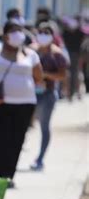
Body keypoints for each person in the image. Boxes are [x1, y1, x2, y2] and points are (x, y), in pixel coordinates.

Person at [0, 20, 43, 188]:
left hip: (25, 104)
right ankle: (3, 173)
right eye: (14, 30)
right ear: (5, 35)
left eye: (20, 30)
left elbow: (38, 76)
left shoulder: (30, 54)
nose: (18, 34)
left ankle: (9, 175)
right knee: (0, 139)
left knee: (16, 140)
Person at [30, 22, 68, 171]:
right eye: (41, 32)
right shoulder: (32, 51)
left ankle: (40, 158)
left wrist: (45, 75)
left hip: (48, 95)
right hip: (30, 94)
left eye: (47, 33)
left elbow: (62, 75)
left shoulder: (57, 54)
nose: (43, 36)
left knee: (44, 126)